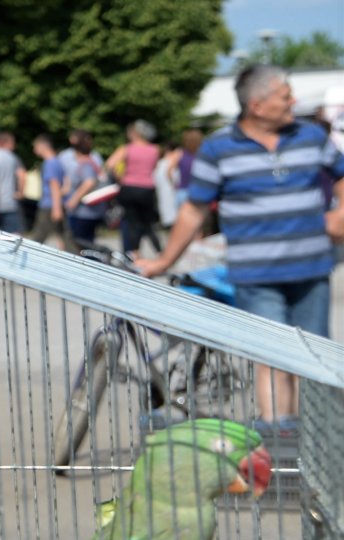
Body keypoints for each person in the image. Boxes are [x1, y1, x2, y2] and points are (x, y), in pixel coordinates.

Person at [139, 64, 344, 432]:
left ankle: (317, 445)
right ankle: (281, 442)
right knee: (273, 357)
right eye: (285, 96)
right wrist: (164, 260)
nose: (292, 102)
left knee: (315, 359)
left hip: (312, 269)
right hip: (256, 275)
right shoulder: (219, 148)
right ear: (257, 105)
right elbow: (193, 209)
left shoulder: (311, 136)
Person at [107, 120, 163, 256]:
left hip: (129, 187)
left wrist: (120, 177)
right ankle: (159, 252)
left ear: (134, 133)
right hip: (147, 189)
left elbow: (110, 164)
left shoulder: (127, 148)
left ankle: (135, 254)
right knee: (148, 223)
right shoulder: (155, 150)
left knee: (131, 223)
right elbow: (154, 168)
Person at [62, 129, 107, 249]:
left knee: (82, 245)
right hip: (94, 209)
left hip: (82, 210)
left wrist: (73, 200)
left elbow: (89, 182)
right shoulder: (95, 158)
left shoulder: (85, 163)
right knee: (88, 242)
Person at [25, 134, 66, 249]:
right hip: (54, 203)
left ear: (43, 146)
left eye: (36, 146)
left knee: (38, 238)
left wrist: (56, 208)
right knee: (63, 236)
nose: (34, 150)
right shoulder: (57, 161)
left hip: (49, 205)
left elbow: (54, 185)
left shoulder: (50, 163)